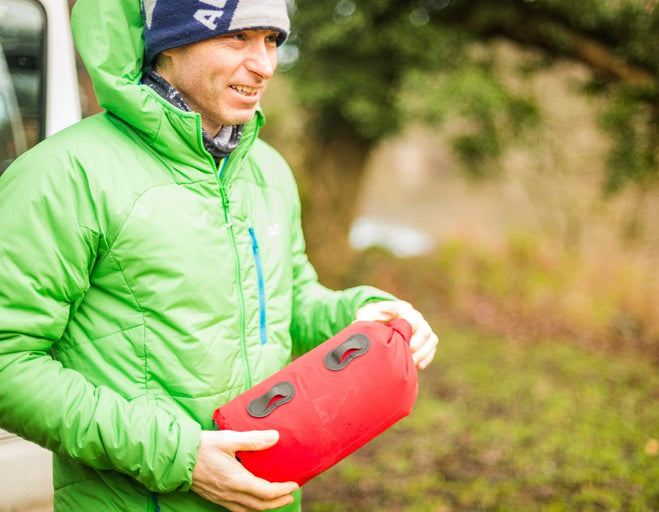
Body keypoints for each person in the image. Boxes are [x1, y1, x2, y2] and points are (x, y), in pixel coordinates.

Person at [0, 0, 438, 511]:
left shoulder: (267, 170)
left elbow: (288, 299)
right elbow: (7, 361)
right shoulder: (64, 174)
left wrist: (359, 314)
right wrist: (179, 456)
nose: (265, 64)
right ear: (169, 42)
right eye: (238, 38)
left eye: (272, 40)